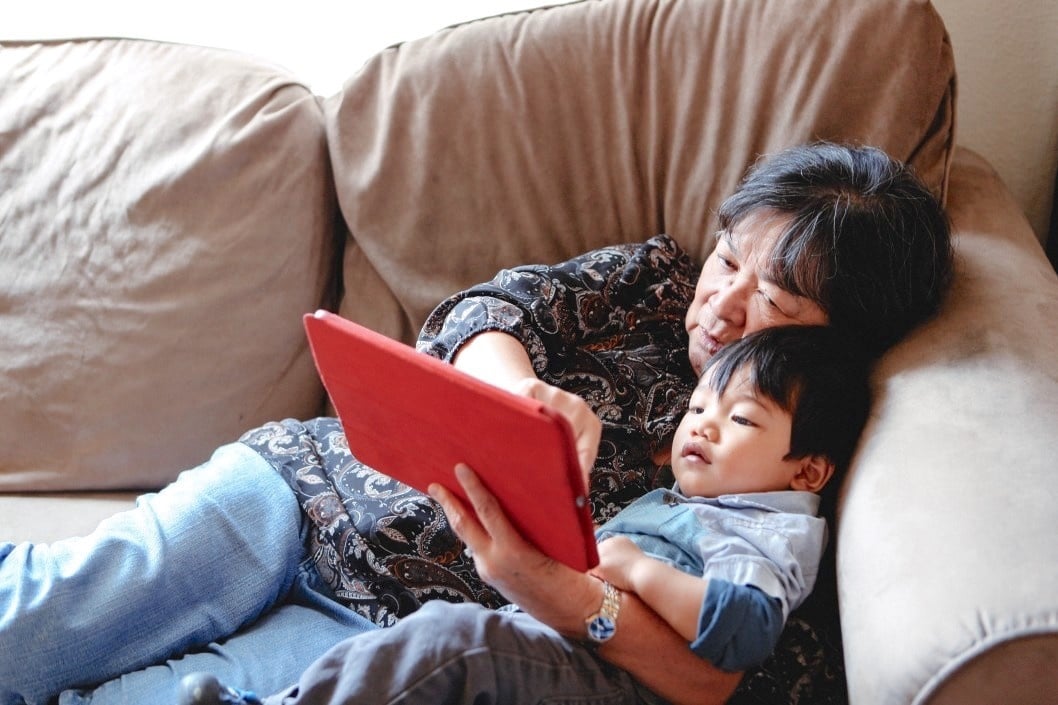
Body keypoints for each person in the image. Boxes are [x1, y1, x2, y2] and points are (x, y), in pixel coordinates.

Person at [0, 142, 953, 705]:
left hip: (377, 620)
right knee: (32, 625)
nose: (723, 304)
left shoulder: (794, 465)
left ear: (843, 339)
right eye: (728, 259)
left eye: (776, 302)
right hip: (302, 493)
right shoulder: (653, 284)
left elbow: (736, 681)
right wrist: (518, 390)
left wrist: (558, 590)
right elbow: (482, 311)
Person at [180, 323, 873, 705]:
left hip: (615, 681)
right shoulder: (706, 505)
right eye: (699, 408)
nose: (703, 427)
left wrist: (633, 567)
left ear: (808, 468)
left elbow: (744, 630)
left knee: (453, 640)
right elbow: (479, 314)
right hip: (555, 645)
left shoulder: (767, 527)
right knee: (433, 645)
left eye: (741, 417)